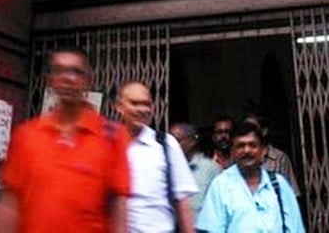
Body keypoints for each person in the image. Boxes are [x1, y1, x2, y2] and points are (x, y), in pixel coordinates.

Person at [0, 47, 129, 233]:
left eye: (76, 72)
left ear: (88, 80)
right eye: (59, 71)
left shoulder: (111, 136)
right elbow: (9, 203)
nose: (68, 78)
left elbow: (118, 205)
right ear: (50, 79)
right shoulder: (26, 135)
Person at [116, 82, 197, 233]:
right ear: (119, 107)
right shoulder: (108, 143)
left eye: (146, 104)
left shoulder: (165, 144)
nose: (142, 109)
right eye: (134, 103)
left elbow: (182, 202)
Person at [196, 122, 306, 233]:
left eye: (252, 145)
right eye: (240, 146)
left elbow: (296, 228)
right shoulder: (220, 185)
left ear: (262, 150)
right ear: (233, 152)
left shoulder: (278, 184)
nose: (247, 150)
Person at [169, 122, 221, 219]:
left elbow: (219, 204)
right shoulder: (165, 168)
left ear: (192, 141)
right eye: (169, 141)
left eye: (177, 140)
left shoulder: (210, 168)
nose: (171, 145)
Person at [241, 113, 300, 196]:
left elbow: (292, 193)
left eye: (252, 128)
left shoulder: (279, 158)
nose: (248, 132)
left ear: (264, 131)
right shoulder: (239, 158)